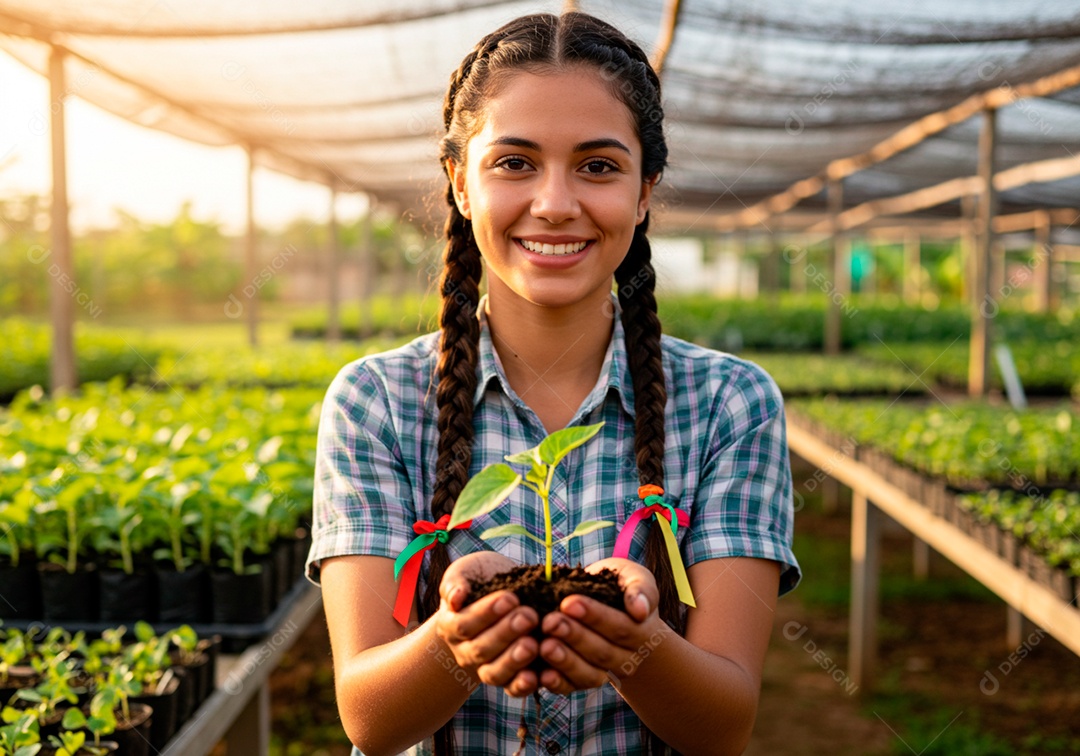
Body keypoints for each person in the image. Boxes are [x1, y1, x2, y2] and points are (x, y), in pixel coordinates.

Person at [307, 11, 800, 756]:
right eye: (515, 163)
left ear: (645, 191)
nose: (555, 203)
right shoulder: (375, 401)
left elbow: (723, 723)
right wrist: (455, 642)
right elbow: (370, 720)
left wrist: (634, 644)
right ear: (460, 183)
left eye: (598, 167)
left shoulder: (731, 404)